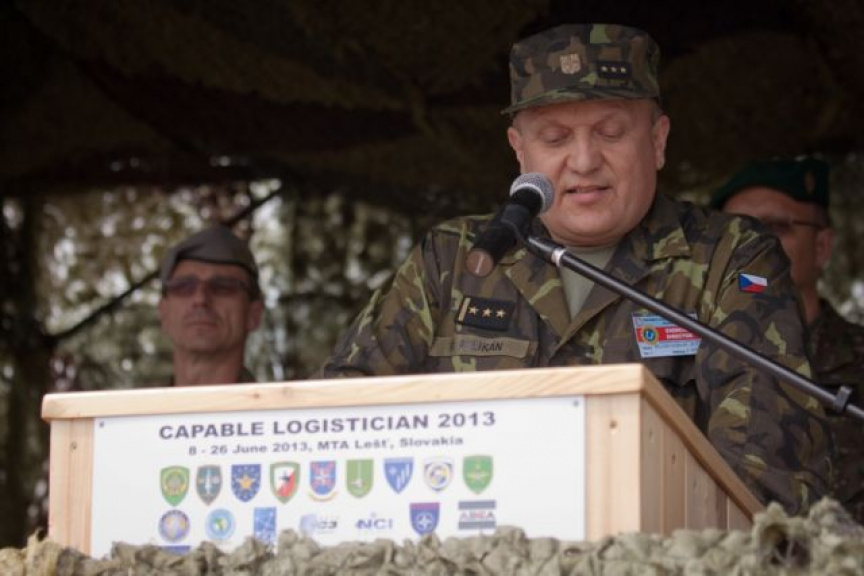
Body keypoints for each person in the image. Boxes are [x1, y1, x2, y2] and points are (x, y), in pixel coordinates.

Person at [318, 23, 829, 514]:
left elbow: (767, 468)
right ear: (520, 151)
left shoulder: (729, 257)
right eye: (556, 138)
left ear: (657, 141)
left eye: (611, 132)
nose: (584, 161)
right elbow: (338, 422)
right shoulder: (453, 259)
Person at [711, 158, 864, 523]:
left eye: (776, 227)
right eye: (734, 229)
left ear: (822, 247)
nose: (753, 244)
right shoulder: (690, 358)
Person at [158, 225, 263, 386]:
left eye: (223, 287)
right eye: (183, 287)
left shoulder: (282, 403)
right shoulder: (131, 403)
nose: (200, 299)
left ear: (253, 314)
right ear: (163, 313)